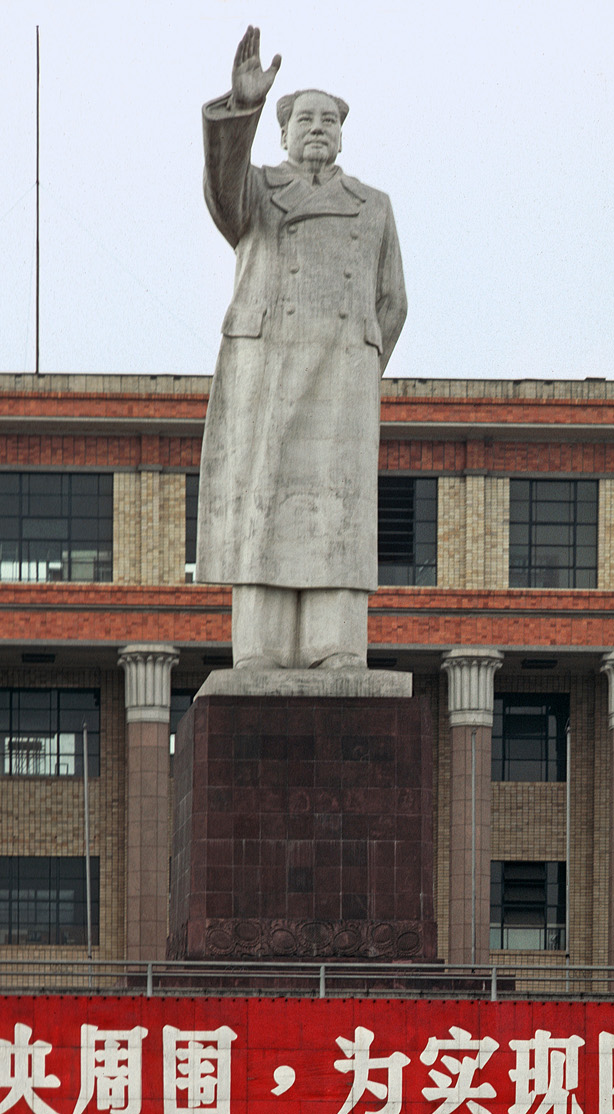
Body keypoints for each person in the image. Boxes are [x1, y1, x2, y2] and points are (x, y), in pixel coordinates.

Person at [199, 26, 407, 674]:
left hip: (342, 380)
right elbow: (223, 191)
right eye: (304, 120)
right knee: (264, 499)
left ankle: (334, 642)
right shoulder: (259, 192)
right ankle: (259, 645)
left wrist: (362, 363)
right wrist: (243, 108)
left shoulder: (372, 205)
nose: (317, 129)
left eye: (328, 121)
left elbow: (391, 300)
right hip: (270, 370)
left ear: (341, 135)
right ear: (284, 133)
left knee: (337, 506)